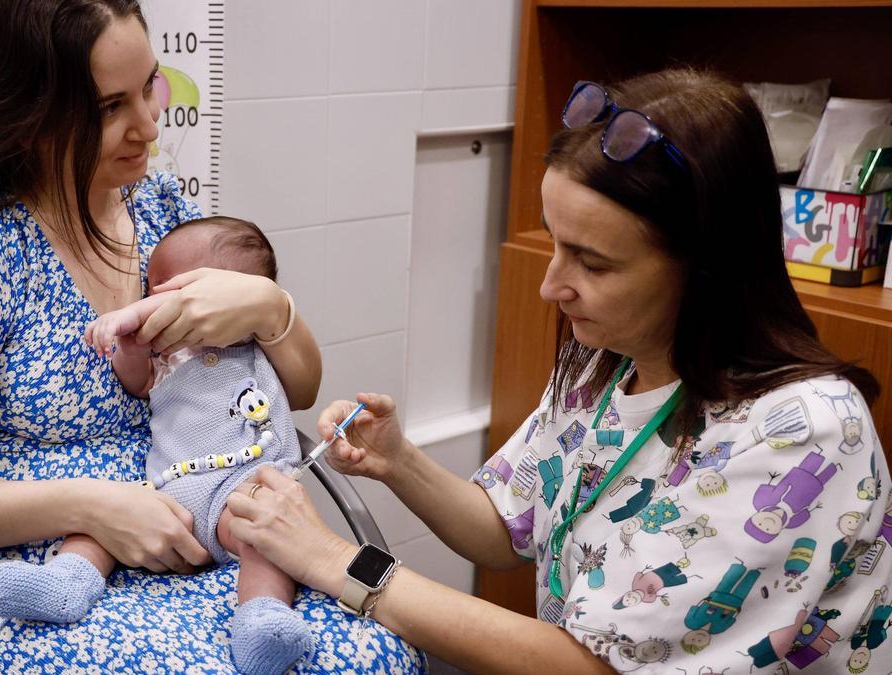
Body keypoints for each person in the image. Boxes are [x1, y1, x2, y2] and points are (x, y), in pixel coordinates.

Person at [226, 68, 892, 673]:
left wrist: (336, 560)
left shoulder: (801, 434)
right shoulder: (606, 362)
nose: (550, 287)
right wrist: (397, 460)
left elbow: (596, 666)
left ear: (706, 267)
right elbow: (505, 530)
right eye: (553, 242)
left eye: (592, 263)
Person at [0, 1, 422, 671]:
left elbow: (298, 389)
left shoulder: (163, 212)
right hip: (24, 559)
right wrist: (93, 505)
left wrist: (272, 310)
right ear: (27, 118)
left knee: (374, 653)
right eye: (110, 107)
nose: (150, 125)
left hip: (194, 531)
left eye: (149, 87)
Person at [0, 216, 314, 674]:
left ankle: (261, 619)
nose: (151, 301)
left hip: (239, 488)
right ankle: (67, 580)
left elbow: (303, 384)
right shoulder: (168, 359)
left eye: (168, 290)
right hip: (167, 495)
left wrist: (264, 303)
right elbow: (136, 383)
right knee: (95, 531)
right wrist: (132, 343)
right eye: (148, 290)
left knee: (264, 537)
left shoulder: (247, 338)